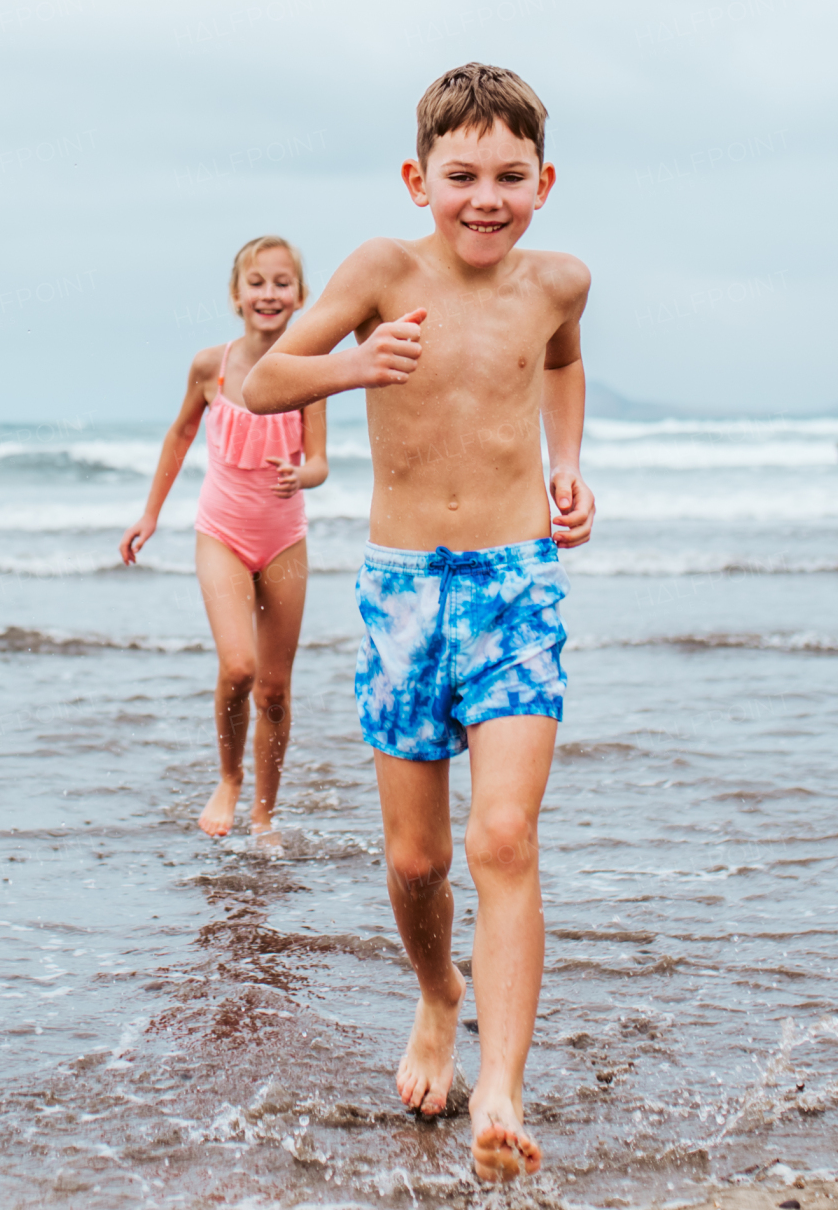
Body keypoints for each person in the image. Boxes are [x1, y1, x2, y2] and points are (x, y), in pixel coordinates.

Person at [244, 64, 594, 1182]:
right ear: (417, 179)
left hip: (516, 582)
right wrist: (351, 365)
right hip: (402, 587)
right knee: (415, 859)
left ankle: (501, 1083)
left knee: (503, 838)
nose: (483, 197)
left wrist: (567, 465)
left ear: (543, 181)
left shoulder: (559, 283)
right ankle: (437, 994)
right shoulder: (382, 271)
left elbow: (562, 364)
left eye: (507, 176)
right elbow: (261, 385)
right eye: (460, 176)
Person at [119, 236, 328, 845]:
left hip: (285, 538)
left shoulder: (305, 370)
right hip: (222, 533)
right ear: (236, 296)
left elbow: (319, 462)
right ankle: (229, 779)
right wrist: (149, 515)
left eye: (281, 283)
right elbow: (180, 435)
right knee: (238, 668)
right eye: (256, 282)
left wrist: (303, 474)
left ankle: (265, 813)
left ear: (301, 295)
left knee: (275, 688)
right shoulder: (210, 366)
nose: (269, 293)